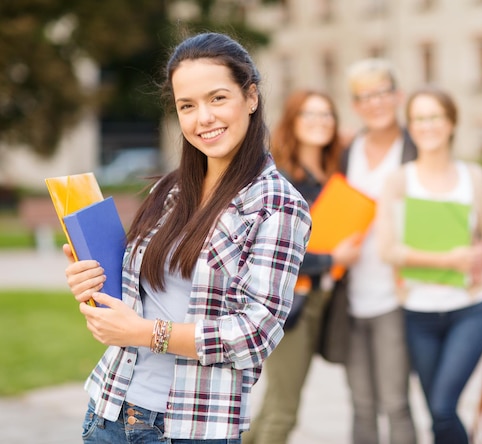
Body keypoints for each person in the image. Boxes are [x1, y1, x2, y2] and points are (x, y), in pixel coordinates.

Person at [62, 32, 312, 443]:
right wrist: (90, 280)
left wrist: (144, 333)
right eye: (187, 106)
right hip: (109, 410)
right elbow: (140, 298)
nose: (203, 118)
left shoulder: (278, 204)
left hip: (191, 428)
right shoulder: (171, 189)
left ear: (250, 97)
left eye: (217, 98)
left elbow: (254, 333)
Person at [376, 85, 482, 444]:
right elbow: (387, 250)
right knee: (438, 416)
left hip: (470, 309)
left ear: (451, 123)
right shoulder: (399, 180)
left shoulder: (474, 177)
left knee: (443, 408)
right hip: (418, 314)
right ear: (411, 126)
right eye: (419, 118)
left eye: (435, 116)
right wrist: (446, 258)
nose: (427, 125)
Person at [242, 90, 362, 444]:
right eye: (309, 115)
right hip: (287, 305)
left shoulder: (332, 173)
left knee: (274, 404)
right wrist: (332, 260)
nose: (319, 122)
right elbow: (273, 252)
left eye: (326, 115)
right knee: (284, 409)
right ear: (292, 122)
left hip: (319, 302)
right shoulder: (279, 177)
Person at [340, 58, 418, 444]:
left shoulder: (414, 149)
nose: (375, 103)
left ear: (397, 96)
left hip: (394, 297)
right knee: (361, 404)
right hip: (351, 296)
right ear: (355, 105)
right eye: (365, 96)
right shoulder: (348, 150)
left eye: (382, 93)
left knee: (396, 403)